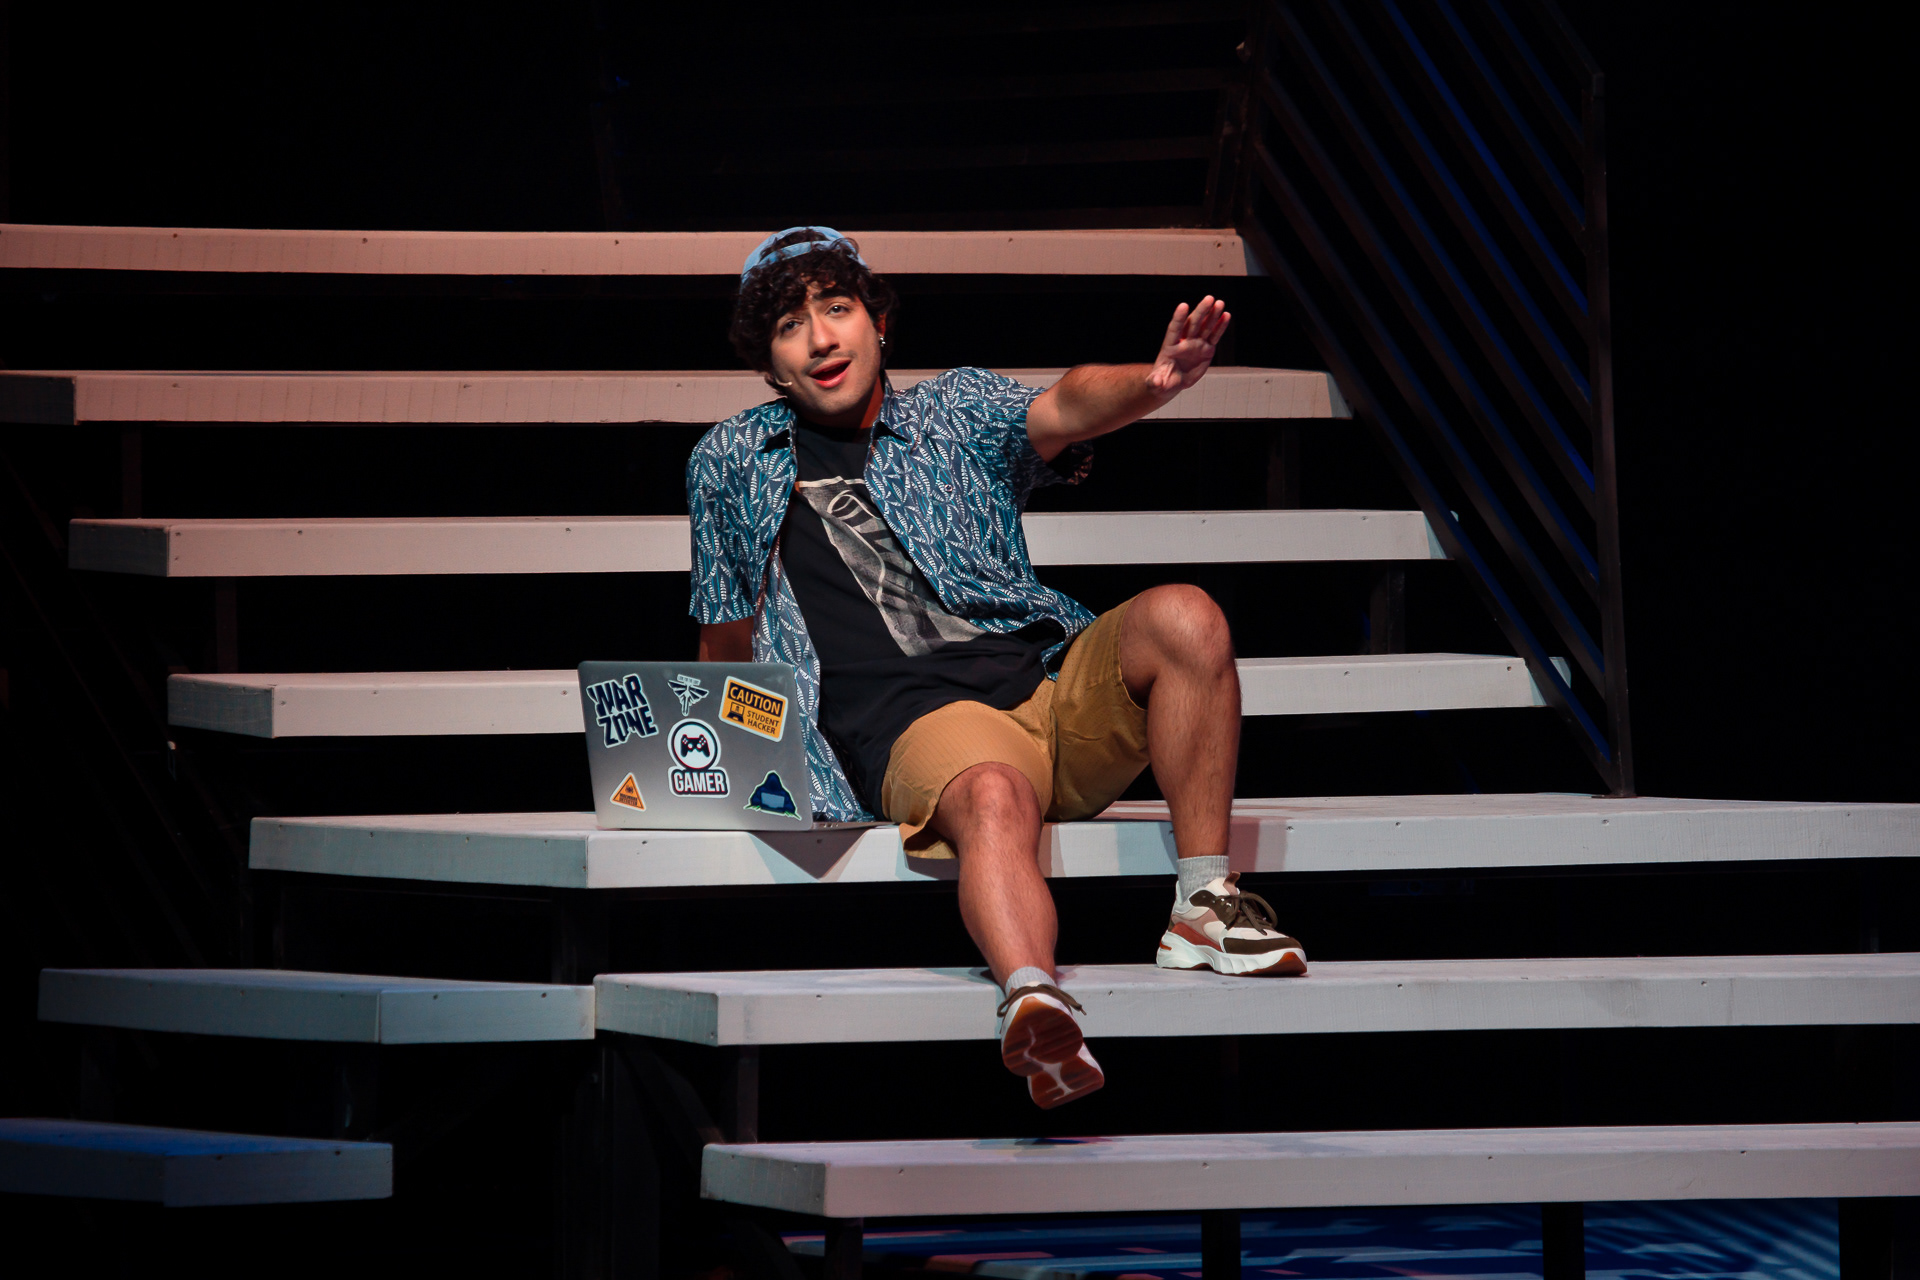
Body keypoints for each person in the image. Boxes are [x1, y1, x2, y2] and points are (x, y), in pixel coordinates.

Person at [688, 227, 1305, 1110]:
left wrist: (1153, 383)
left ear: (878, 322)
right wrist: (719, 765)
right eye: (790, 326)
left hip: (1045, 690)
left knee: (1186, 615)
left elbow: (1066, 404)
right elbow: (725, 636)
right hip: (919, 726)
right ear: (768, 364)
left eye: (837, 308)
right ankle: (1034, 1002)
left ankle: (1204, 904)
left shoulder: (955, 411)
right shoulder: (731, 460)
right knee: (992, 792)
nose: (821, 338)